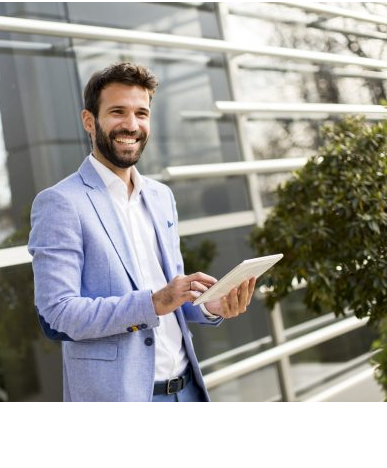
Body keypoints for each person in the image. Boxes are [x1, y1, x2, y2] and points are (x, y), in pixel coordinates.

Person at [28, 62, 256, 402]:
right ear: (89, 121)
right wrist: (153, 302)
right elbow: (58, 314)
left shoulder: (161, 196)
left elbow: (173, 298)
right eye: (118, 112)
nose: (131, 125)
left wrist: (211, 306)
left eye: (141, 113)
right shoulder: (61, 203)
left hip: (188, 389)